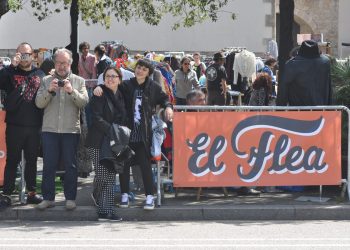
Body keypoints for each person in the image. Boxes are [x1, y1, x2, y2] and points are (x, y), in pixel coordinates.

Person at [94, 59, 173, 210]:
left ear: (148, 72)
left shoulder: (153, 87)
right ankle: (125, 195)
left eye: (144, 69)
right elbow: (111, 86)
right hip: (126, 133)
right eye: (138, 67)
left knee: (145, 165)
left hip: (143, 134)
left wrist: (168, 108)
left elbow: (165, 99)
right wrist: (99, 87)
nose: (140, 71)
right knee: (124, 165)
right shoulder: (127, 85)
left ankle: (149, 196)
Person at [35, 48, 89, 210]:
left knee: (71, 166)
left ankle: (70, 198)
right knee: (49, 165)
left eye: (64, 63)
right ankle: (48, 198)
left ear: (70, 64)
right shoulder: (46, 80)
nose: (61, 66)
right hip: (50, 130)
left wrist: (72, 91)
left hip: (70, 130)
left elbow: (84, 102)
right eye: (58, 62)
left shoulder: (79, 81)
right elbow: (39, 103)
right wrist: (50, 90)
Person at [0, 42, 45, 206]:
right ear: (17, 55)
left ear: (32, 55)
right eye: (21, 54)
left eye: (27, 54)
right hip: (14, 124)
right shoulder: (10, 72)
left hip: (34, 125)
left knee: (32, 161)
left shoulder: (40, 73)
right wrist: (11, 66)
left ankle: (32, 192)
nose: (25, 57)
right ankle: (6, 194)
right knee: (12, 160)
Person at [85, 66, 126, 221]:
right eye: (107, 76)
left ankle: (106, 211)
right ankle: (100, 201)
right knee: (103, 175)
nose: (110, 79)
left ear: (119, 79)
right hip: (97, 141)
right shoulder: (99, 93)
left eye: (113, 76)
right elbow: (97, 117)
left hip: (114, 143)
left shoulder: (122, 95)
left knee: (110, 176)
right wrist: (113, 130)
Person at [277, 40, 332, 106]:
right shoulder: (325, 62)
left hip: (299, 110)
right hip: (322, 107)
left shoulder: (292, 64)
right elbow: (329, 85)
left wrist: (281, 107)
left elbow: (283, 88)